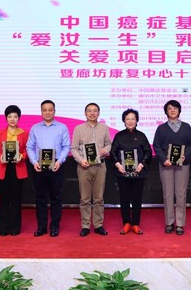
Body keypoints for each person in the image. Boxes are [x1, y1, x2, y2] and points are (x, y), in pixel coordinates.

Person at [26, 100, 71, 238]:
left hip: (56, 165)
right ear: (41, 112)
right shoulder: (35, 128)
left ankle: (54, 227)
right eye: (44, 110)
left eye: (50, 110)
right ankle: (41, 227)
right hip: (39, 166)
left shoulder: (62, 127)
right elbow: (29, 146)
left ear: (54, 111)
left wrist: (59, 161)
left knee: (56, 198)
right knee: (40, 198)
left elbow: (66, 146)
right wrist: (34, 162)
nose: (47, 112)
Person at [152, 100, 191, 236]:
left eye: (175, 108)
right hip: (166, 165)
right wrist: (164, 159)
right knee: (168, 194)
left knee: (181, 194)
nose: (172, 110)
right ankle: (169, 222)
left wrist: (185, 156)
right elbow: (156, 146)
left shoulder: (186, 127)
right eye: (170, 108)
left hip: (182, 164)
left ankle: (180, 223)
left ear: (179, 110)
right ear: (166, 111)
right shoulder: (161, 128)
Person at [71, 103, 111, 237]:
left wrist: (106, 150)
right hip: (84, 166)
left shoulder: (104, 128)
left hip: (100, 166)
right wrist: (80, 160)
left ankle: (98, 225)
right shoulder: (78, 128)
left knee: (99, 198)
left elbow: (109, 144)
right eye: (89, 111)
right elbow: (74, 148)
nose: (92, 113)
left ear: (99, 113)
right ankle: (85, 225)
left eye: (95, 111)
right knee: (85, 198)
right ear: (85, 113)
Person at [110, 108, 152, 235]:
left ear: (137, 120)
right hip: (122, 172)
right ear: (124, 121)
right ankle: (126, 223)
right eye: (127, 119)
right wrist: (117, 164)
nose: (130, 121)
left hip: (138, 173)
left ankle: (136, 224)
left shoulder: (141, 136)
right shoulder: (119, 136)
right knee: (124, 198)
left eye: (133, 119)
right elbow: (113, 152)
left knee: (137, 198)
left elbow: (148, 152)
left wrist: (142, 164)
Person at [0, 105, 28, 236]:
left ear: (19, 118)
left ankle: (15, 228)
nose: (12, 119)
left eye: (15, 117)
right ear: (6, 118)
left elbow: (27, 150)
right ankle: (3, 228)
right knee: (4, 199)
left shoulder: (24, 133)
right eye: (10, 116)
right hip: (3, 169)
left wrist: (22, 156)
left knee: (16, 200)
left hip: (18, 168)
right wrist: (0, 157)